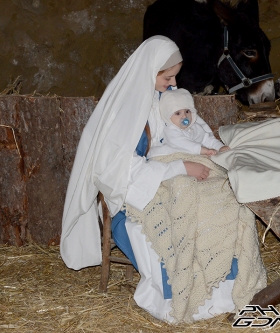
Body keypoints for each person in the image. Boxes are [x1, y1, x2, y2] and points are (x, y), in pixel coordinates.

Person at [60, 36, 265, 323]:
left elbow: (189, 129)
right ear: (149, 71)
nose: (172, 83)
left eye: (175, 76)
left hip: (165, 170)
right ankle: (186, 294)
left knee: (224, 201)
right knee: (182, 213)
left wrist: (207, 151)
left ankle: (224, 292)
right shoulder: (124, 109)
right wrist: (180, 167)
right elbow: (118, 169)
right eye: (167, 76)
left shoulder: (165, 98)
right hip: (133, 189)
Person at [148, 88, 229, 158]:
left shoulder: (195, 127)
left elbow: (207, 139)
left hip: (197, 154)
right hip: (176, 156)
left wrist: (219, 147)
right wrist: (203, 150)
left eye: (187, 111)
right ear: (168, 116)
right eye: (178, 113)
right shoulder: (170, 131)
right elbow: (184, 144)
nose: (184, 116)